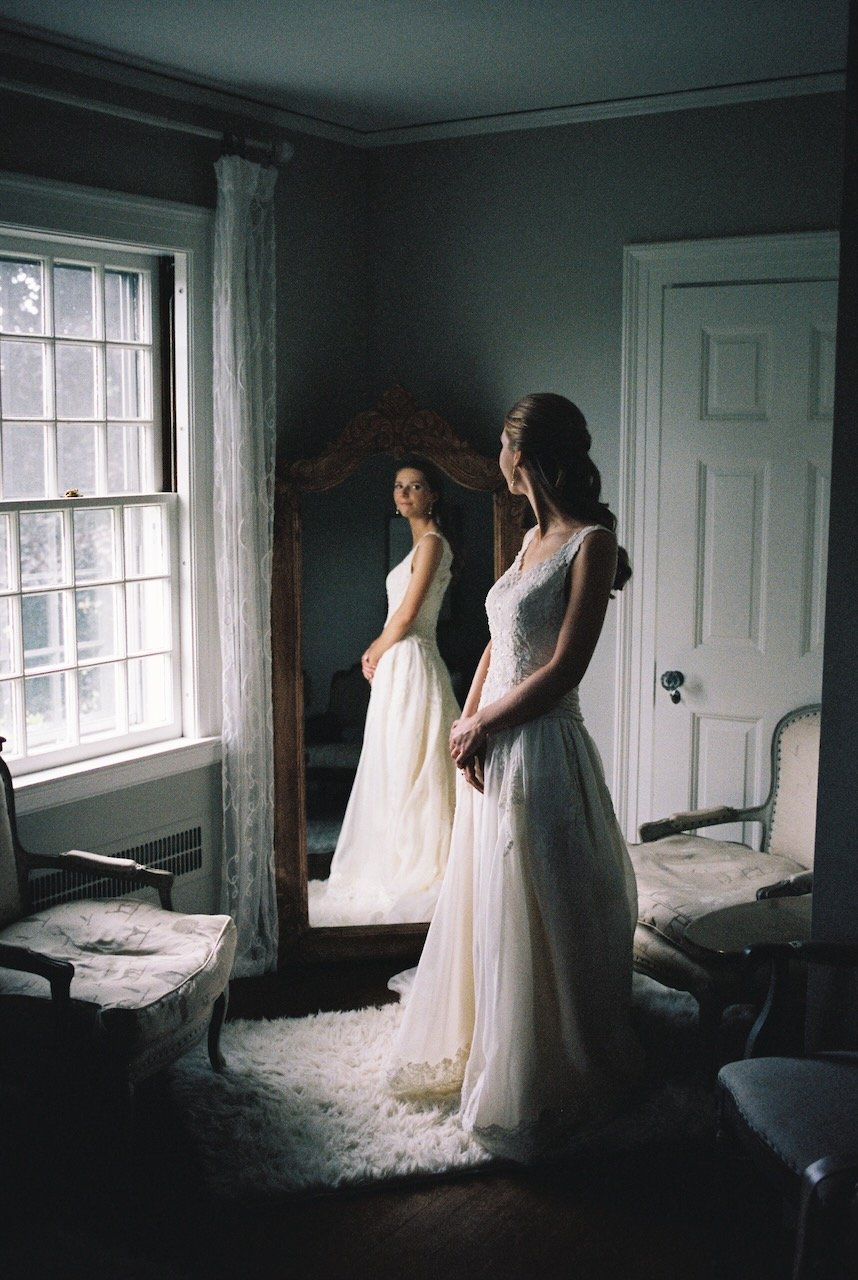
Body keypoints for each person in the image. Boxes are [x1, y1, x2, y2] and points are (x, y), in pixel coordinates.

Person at [387, 393, 642, 1162]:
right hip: (495, 747)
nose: (497, 455)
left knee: (547, 905)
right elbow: (500, 645)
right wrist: (467, 723)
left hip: (543, 750)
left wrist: (485, 726)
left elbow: (565, 666)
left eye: (501, 442)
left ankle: (547, 1068)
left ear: (523, 453)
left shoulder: (589, 542)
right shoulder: (529, 536)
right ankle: (489, 1036)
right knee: (493, 904)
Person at [308, 456, 461, 926]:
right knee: (392, 766)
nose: (405, 494)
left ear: (433, 494)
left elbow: (409, 614)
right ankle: (391, 863)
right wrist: (379, 656)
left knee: (416, 765)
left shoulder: (433, 543)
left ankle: (420, 867)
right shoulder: (416, 544)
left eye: (415, 486)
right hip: (398, 666)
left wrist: (371, 651)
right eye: (399, 486)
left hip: (413, 662)